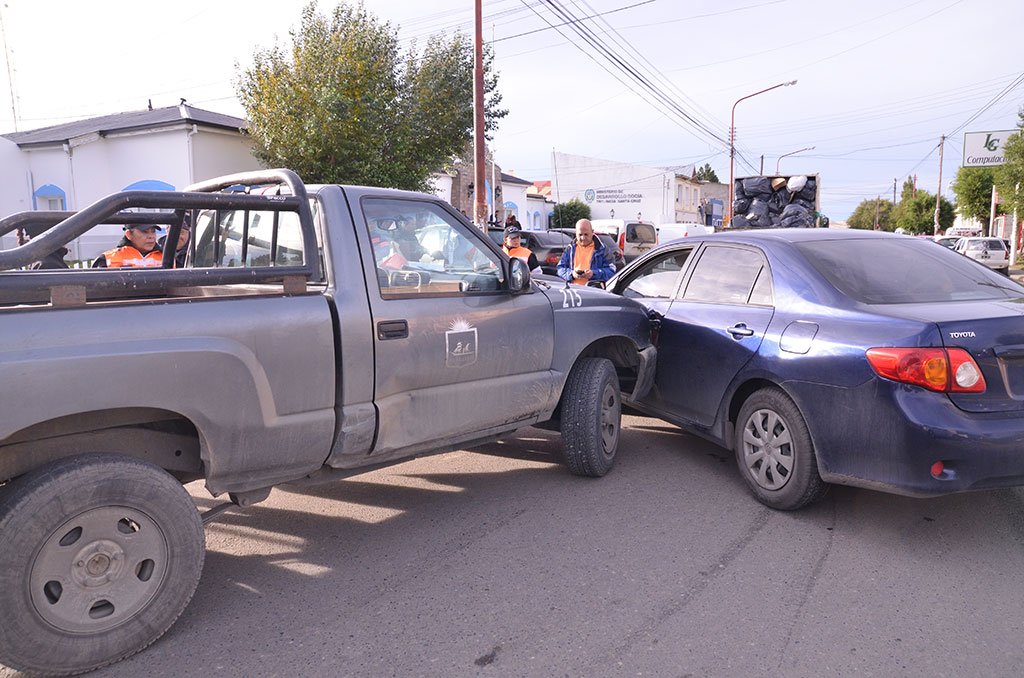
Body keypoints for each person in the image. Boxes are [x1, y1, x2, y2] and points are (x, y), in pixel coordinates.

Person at [557, 218, 615, 285]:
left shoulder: (603, 250)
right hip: (573, 290)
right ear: (576, 234)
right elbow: (560, 269)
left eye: (586, 234)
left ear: (592, 232)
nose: (583, 238)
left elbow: (611, 272)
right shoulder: (570, 249)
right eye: (580, 235)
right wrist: (572, 274)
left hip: (594, 291)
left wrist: (594, 273)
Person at [91, 224, 163, 268]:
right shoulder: (107, 259)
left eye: (153, 231)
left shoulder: (169, 257)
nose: (151, 236)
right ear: (128, 234)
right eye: (144, 231)